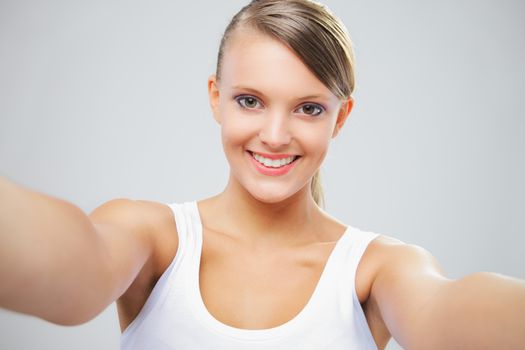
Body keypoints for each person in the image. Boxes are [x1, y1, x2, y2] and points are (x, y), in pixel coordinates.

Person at [1, 0, 524, 349]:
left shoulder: (376, 269)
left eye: (309, 109)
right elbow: (73, 268)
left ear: (341, 117)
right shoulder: (153, 240)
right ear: (216, 98)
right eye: (250, 101)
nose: (275, 135)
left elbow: (448, 314)